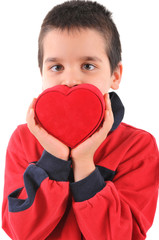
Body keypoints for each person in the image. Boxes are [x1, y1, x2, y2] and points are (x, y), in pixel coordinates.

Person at [2, 1, 159, 239]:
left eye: (88, 65)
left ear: (115, 75)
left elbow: (125, 235)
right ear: (42, 75)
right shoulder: (24, 140)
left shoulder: (137, 146)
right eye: (56, 67)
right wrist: (54, 159)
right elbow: (20, 231)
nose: (71, 79)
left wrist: (84, 164)